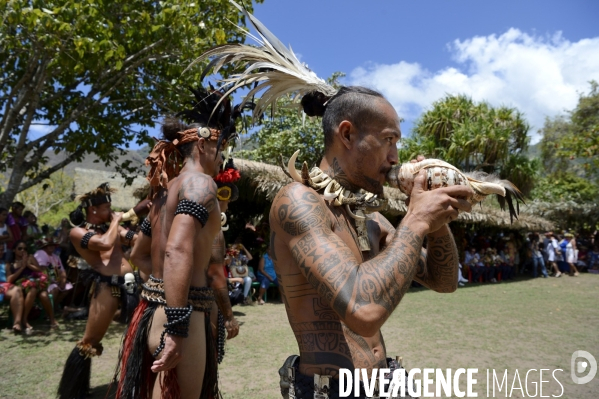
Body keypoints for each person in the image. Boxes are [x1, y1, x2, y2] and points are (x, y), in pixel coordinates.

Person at [199, 9, 473, 397]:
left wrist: (437, 218)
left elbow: (443, 282)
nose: (397, 156)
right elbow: (362, 312)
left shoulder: (369, 217)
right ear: (347, 134)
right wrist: (415, 221)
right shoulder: (298, 202)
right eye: (389, 140)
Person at [114, 85, 248, 399]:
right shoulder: (200, 184)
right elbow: (177, 250)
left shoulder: (166, 192)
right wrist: (176, 324)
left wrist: (160, 294)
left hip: (153, 313)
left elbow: (139, 253)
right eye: (221, 146)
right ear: (203, 143)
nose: (222, 157)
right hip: (182, 319)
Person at [57, 183, 141, 399]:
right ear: (93, 210)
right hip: (107, 286)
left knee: (140, 332)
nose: (111, 212)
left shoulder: (110, 227)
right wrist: (115, 221)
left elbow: (132, 238)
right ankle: (74, 390)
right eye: (106, 208)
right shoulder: (78, 232)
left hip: (131, 284)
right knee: (90, 340)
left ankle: (137, 382)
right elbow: (104, 244)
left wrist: (143, 221)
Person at [208, 159, 241, 364]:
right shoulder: (212, 228)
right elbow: (214, 274)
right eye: (226, 198)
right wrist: (229, 316)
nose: (227, 205)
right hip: (199, 303)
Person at [6, 239, 57, 333]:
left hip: (35, 282)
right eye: (20, 248)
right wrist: (22, 267)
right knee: (33, 289)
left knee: (44, 295)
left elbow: (39, 270)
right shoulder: (11, 263)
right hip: (20, 285)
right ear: (14, 250)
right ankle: (24, 320)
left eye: (25, 248)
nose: (22, 251)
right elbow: (9, 279)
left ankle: (52, 319)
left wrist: (28, 265)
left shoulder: (30, 257)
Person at [33, 237, 73, 312]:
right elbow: (42, 270)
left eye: (53, 245)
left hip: (56, 281)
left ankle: (54, 306)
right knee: (55, 287)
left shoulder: (55, 256)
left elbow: (62, 271)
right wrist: (52, 281)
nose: (51, 246)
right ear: (44, 246)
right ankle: (48, 310)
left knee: (68, 286)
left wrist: (63, 281)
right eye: (49, 245)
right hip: (44, 281)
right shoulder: (41, 253)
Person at [0, 243, 24, 333]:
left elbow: (8, 279)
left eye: (2, 250)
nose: (1, 252)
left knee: (17, 290)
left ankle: (17, 323)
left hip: (4, 286)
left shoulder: (4, 264)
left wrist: (22, 267)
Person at [226, 239, 254, 305]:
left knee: (248, 279)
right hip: (232, 277)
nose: (237, 251)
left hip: (241, 277)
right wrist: (232, 249)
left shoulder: (241, 257)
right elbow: (227, 259)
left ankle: (244, 297)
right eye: (236, 249)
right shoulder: (230, 257)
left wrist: (244, 248)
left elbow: (250, 258)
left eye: (238, 249)